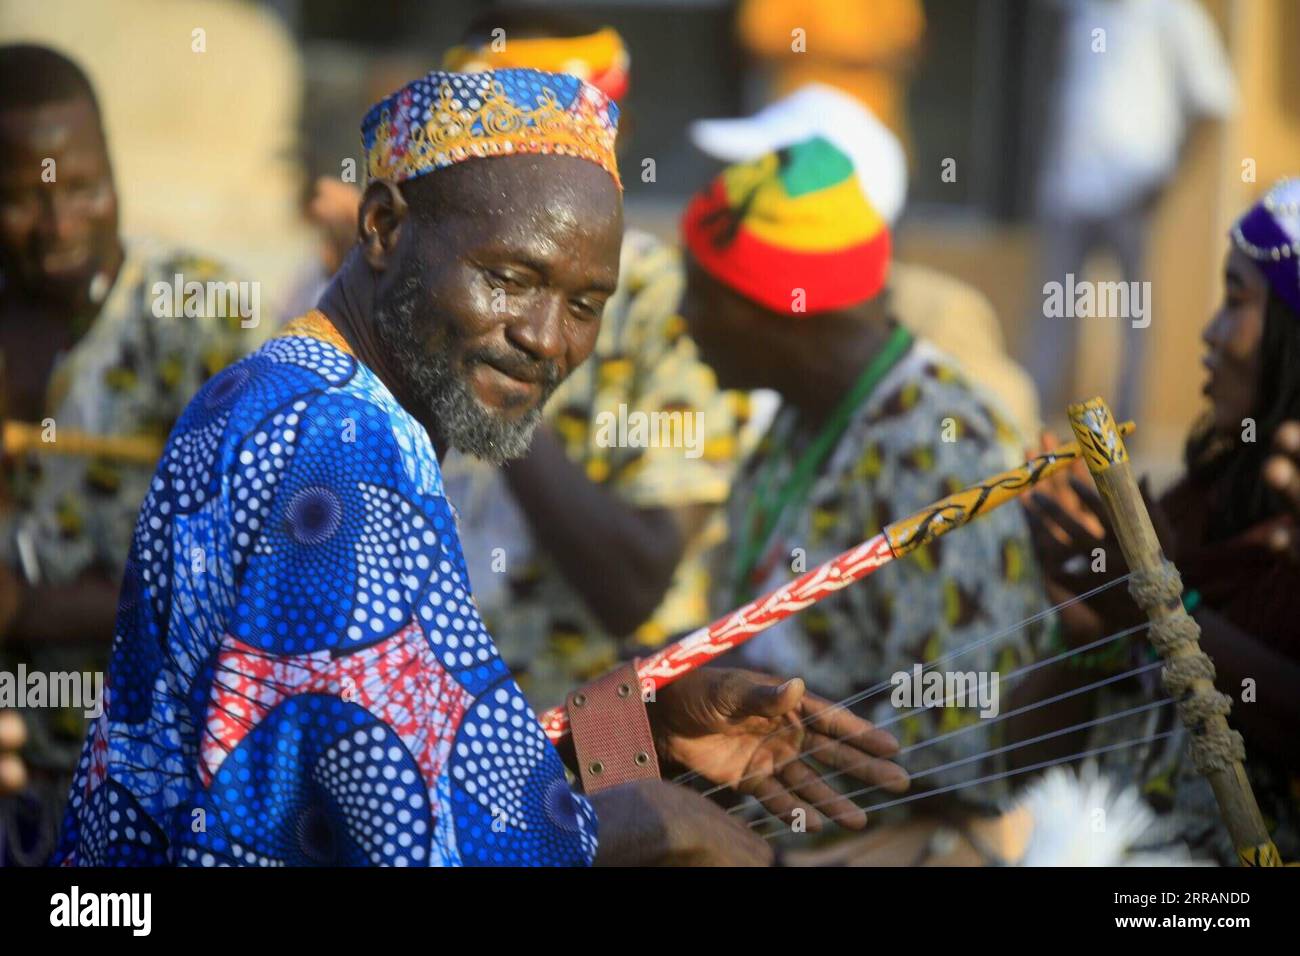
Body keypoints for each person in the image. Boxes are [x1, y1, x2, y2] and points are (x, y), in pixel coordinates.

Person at [52, 68, 907, 867]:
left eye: (583, 304)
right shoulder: (340, 450)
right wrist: (652, 820)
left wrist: (632, 729)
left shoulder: (287, 394)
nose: (545, 337)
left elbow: (382, 746)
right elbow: (416, 837)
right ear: (382, 226)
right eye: (507, 277)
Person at [680, 137, 1049, 827]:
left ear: (779, 308)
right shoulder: (803, 414)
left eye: (704, 293)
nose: (683, 318)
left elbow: (957, 749)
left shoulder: (944, 451)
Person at [432, 12, 760, 711]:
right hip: (431, 722)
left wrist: (499, 390)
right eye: (483, 146)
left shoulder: (664, 301)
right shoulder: (414, 281)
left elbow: (634, 586)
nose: (509, 173)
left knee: (627, 820)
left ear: (616, 144)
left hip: (610, 725)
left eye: (546, 146)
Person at [0, 44, 250, 865]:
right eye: (22, 200)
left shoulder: (197, 320)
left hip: (164, 787)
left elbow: (250, 575)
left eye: (85, 187)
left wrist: (30, 611)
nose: (63, 226)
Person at [1026, 178, 1300, 863]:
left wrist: (1165, 605)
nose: (1209, 332)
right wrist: (1089, 635)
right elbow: (1024, 769)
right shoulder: (1203, 497)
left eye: (1237, 299)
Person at [690, 82, 1042, 443]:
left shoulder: (933, 313)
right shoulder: (794, 396)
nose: (728, 188)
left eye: (760, 180)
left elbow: (1003, 438)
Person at [1025, 0, 1236, 424]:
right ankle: (1032, 420)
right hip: (1069, 189)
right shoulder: (1084, 11)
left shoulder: (1172, 15)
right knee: (1053, 309)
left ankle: (1128, 426)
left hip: (1133, 192)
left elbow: (1214, 104)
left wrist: (1166, 178)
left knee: (1133, 315)